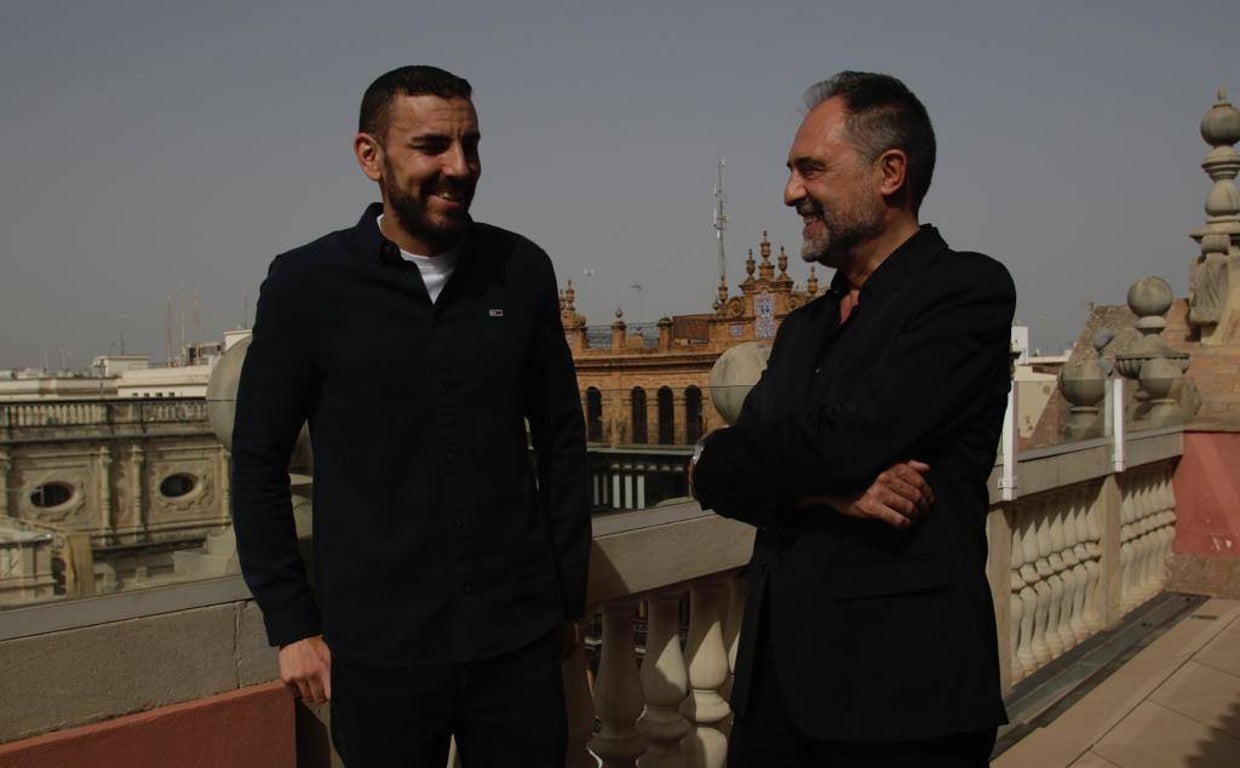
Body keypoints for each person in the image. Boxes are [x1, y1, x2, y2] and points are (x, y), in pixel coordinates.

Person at [230, 65, 591, 767]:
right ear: (371, 157)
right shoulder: (307, 284)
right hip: (377, 656)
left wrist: (564, 598)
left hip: (515, 645)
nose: (460, 167)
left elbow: (561, 441)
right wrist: (292, 623)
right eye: (432, 146)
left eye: (471, 145)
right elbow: (256, 463)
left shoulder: (521, 270)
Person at [690, 71, 1015, 767]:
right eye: (790, 171)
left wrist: (782, 465)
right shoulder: (803, 328)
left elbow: (839, 440)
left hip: (902, 704)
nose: (790, 193)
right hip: (772, 701)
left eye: (811, 169)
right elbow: (715, 471)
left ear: (890, 173)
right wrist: (823, 487)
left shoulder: (966, 292)